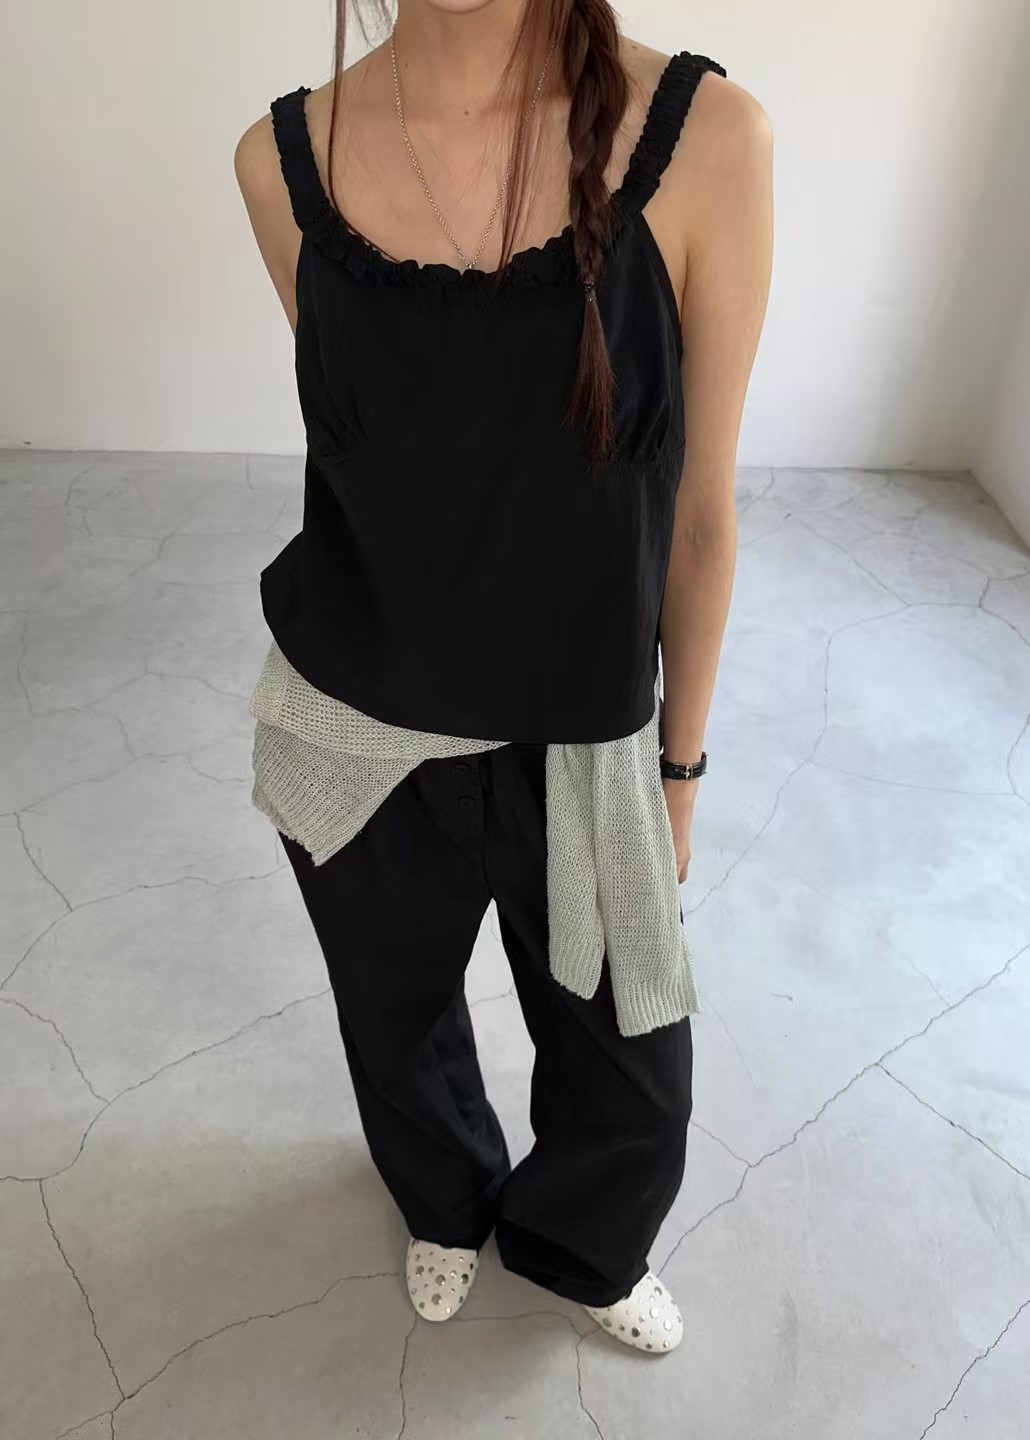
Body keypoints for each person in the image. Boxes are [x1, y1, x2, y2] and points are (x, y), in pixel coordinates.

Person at [234, 0, 772, 1354]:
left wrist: (681, 766)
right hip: (355, 728)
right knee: (394, 1022)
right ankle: (445, 1200)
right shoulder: (280, 162)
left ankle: (581, 1247)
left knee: (633, 1069)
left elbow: (700, 517)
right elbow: (388, 468)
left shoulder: (706, 139)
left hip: (585, 738)